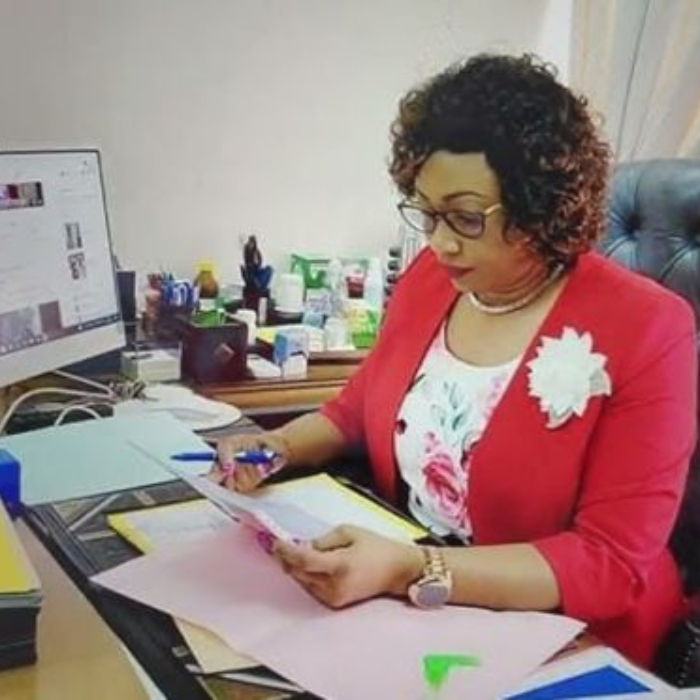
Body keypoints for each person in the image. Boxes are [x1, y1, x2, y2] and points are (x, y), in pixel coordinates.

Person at [215, 54, 697, 667]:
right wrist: (277, 447)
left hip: (567, 632)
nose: (440, 242)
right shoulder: (432, 279)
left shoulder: (649, 327)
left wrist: (410, 569)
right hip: (410, 595)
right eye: (427, 212)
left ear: (539, 206)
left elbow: (609, 563)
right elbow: (356, 410)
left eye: (466, 218)